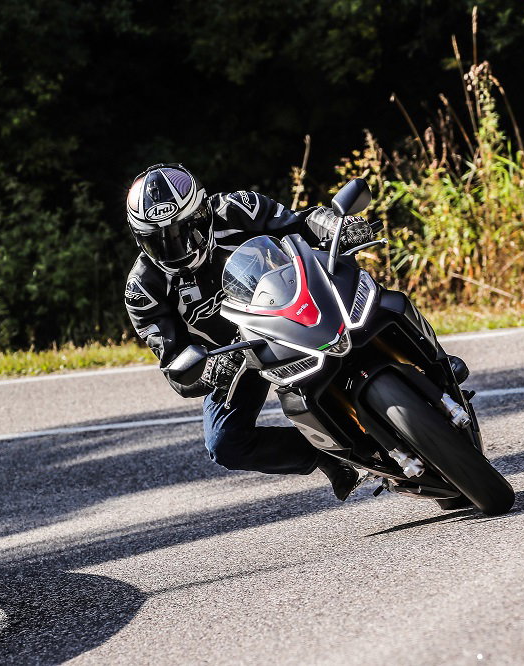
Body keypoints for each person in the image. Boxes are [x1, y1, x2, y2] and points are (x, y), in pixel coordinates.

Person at [124, 163, 468, 501]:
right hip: (237, 355)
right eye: (159, 241)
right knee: (224, 444)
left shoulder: (237, 207)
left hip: (294, 301)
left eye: (183, 232)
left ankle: (437, 363)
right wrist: (211, 371)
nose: (176, 247)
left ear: (202, 213)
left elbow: (300, 222)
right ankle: (330, 456)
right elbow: (174, 367)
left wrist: (338, 225)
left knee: (382, 300)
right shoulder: (143, 289)